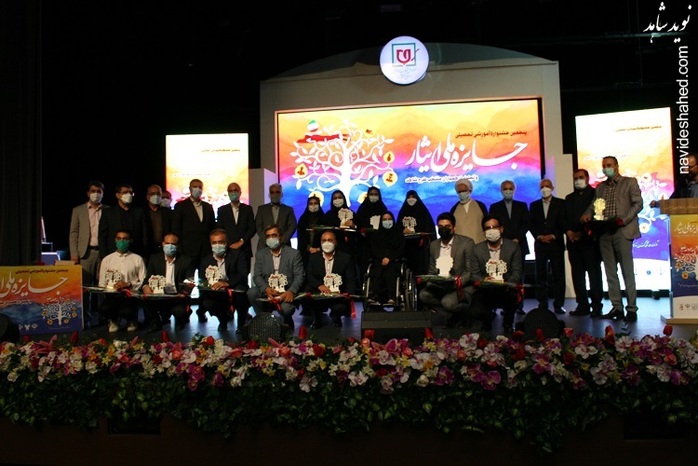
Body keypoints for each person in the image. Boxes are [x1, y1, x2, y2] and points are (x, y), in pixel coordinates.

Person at [581, 155, 643, 322]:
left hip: (622, 230)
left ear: (616, 166)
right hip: (604, 231)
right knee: (610, 273)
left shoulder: (629, 182)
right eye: (604, 166)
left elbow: (638, 204)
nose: (606, 168)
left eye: (609, 165)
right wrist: (587, 214)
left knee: (627, 272)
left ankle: (631, 309)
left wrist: (624, 220)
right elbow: (594, 205)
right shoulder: (600, 187)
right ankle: (617, 307)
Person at [418, 212, 475, 327]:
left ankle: (466, 312)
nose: (443, 229)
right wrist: (429, 282)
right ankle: (450, 315)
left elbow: (469, 270)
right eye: (440, 226)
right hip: (441, 285)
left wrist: (457, 283)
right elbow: (432, 268)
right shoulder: (434, 245)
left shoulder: (466, 243)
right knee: (424, 295)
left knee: (447, 302)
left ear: (454, 228)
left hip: (459, 286)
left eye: (447, 226)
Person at [468, 214, 523, 332]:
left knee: (513, 296)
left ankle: (508, 324)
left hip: (506, 288)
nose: (491, 230)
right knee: (475, 307)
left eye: (495, 227)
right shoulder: (476, 249)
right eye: (488, 228)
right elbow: (474, 275)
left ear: (501, 229)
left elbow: (517, 273)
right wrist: (484, 281)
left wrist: (506, 283)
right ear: (484, 232)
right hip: (486, 288)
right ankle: (486, 323)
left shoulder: (513, 247)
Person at [247, 224, 305, 330]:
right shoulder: (260, 254)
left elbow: (299, 276)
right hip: (268, 291)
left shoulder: (294, 254)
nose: (271, 238)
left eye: (274, 235)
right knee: (251, 292)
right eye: (268, 236)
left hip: (286, 292)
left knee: (286, 309)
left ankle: (287, 319)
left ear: (281, 237)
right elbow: (257, 276)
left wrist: (291, 291)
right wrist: (266, 289)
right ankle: (264, 319)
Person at [565, 169, 604, 318]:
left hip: (590, 242)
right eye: (575, 178)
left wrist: (581, 233)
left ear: (587, 178)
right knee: (577, 275)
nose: (578, 180)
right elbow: (564, 218)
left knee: (594, 275)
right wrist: (569, 231)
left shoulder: (595, 195)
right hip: (573, 243)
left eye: (580, 177)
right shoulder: (569, 198)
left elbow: (597, 216)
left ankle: (596, 306)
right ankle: (582, 305)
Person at [488, 180, 530, 315]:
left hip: (519, 244)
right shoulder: (495, 207)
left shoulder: (522, 206)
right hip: (502, 245)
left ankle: (519, 306)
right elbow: (495, 225)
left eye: (510, 188)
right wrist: (505, 240)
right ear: (501, 191)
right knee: (501, 275)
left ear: (514, 190)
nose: (508, 191)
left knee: (518, 276)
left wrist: (517, 238)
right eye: (505, 189)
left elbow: (526, 224)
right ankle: (501, 305)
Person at [141, 233, 195, 332]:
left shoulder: (187, 261)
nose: (169, 246)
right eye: (167, 243)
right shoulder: (154, 259)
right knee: (145, 300)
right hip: (160, 295)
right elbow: (147, 278)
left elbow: (190, 281)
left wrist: (184, 293)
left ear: (177, 246)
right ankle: (155, 322)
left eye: (173, 244)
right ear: (162, 244)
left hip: (177, 297)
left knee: (179, 311)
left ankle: (180, 320)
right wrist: (146, 287)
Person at [304, 230, 358, 328]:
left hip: (338, 295)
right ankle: (317, 318)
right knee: (307, 292)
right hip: (320, 293)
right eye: (324, 240)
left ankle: (336, 316)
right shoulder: (313, 258)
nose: (327, 243)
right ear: (320, 243)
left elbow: (350, 279)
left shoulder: (345, 258)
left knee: (340, 307)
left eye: (330, 240)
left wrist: (348, 295)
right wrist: (319, 285)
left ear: (335, 242)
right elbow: (310, 276)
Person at [199, 229, 251, 332]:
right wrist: (211, 285)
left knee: (240, 292)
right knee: (207, 302)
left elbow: (243, 274)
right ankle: (223, 320)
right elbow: (203, 279)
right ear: (210, 244)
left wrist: (226, 283)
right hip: (217, 291)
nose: (217, 245)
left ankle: (241, 325)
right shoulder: (206, 260)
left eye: (220, 242)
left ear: (226, 243)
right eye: (214, 242)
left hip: (234, 287)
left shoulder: (237, 254)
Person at [529, 178, 567, 314]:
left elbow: (564, 223)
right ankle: (542, 303)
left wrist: (553, 236)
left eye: (547, 186)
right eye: (542, 187)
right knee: (540, 276)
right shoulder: (534, 205)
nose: (544, 189)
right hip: (540, 245)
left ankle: (559, 305)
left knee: (558, 276)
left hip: (556, 244)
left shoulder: (561, 203)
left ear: (552, 188)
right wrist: (539, 236)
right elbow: (531, 224)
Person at [97, 229, 146, 332]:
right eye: (119, 239)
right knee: (104, 308)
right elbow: (101, 283)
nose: (121, 241)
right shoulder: (107, 260)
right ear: (115, 240)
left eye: (125, 239)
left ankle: (132, 319)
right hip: (113, 295)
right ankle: (113, 320)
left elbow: (143, 281)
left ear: (130, 241)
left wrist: (129, 284)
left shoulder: (137, 259)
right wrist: (112, 287)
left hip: (131, 295)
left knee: (127, 311)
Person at [172, 178, 216, 281]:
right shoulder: (180, 206)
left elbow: (213, 228)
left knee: (206, 279)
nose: (197, 189)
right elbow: (176, 229)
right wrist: (180, 249)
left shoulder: (208, 207)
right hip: (187, 251)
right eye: (195, 187)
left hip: (205, 250)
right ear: (190, 189)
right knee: (188, 280)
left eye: (200, 187)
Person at [69, 180, 109, 286]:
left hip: (103, 253)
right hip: (85, 254)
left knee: (102, 284)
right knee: (84, 285)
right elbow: (74, 233)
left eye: (99, 191)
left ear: (103, 193)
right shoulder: (78, 210)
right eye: (93, 191)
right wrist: (74, 254)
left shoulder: (108, 210)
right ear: (88, 193)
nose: (96, 194)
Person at [98, 183, 147, 259]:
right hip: (113, 254)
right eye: (125, 192)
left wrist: (144, 255)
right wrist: (104, 257)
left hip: (135, 254)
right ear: (117, 195)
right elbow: (102, 237)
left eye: (131, 193)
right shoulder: (108, 213)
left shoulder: (139, 212)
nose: (129, 195)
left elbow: (144, 235)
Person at [366, 211, 405, 305]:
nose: (387, 221)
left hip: (394, 261)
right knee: (378, 270)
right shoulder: (376, 235)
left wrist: (390, 258)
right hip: (380, 261)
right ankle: (374, 295)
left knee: (390, 270)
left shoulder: (398, 235)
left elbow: (401, 250)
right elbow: (374, 250)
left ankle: (392, 297)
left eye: (389, 219)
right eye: (384, 219)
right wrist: (382, 258)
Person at [216, 182, 255, 271]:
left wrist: (241, 242)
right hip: (228, 250)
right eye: (231, 191)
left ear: (240, 192)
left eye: (235, 190)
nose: (233, 193)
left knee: (244, 274)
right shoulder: (222, 210)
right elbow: (220, 229)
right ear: (228, 193)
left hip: (244, 249)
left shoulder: (248, 209)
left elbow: (252, 228)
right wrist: (230, 244)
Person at [397, 189, 435, 277]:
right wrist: (402, 230)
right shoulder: (402, 212)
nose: (411, 199)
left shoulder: (423, 212)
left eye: (413, 197)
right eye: (409, 197)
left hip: (420, 248)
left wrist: (417, 231)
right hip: (406, 247)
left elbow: (429, 228)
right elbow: (397, 228)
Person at [354, 186, 388, 278]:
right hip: (365, 245)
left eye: (376, 194)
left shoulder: (383, 210)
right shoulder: (362, 210)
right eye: (371, 194)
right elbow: (358, 226)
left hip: (380, 245)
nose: (373, 196)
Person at [254, 183, 297, 250]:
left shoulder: (288, 210)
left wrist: (282, 240)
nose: (275, 194)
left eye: (277, 192)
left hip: (284, 245)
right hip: (265, 245)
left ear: (282, 194)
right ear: (269, 195)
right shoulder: (261, 209)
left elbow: (292, 226)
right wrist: (268, 240)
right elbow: (258, 227)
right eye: (272, 192)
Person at [319, 189, 357, 259]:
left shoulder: (351, 213)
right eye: (335, 198)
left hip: (349, 249)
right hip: (332, 249)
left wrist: (353, 225)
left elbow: (359, 231)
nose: (337, 200)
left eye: (340, 197)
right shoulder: (328, 216)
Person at [449, 178, 488, 244]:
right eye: (459, 192)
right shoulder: (454, 209)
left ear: (470, 190)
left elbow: (487, 223)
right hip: (461, 246)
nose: (461, 193)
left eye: (464, 191)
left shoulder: (480, 206)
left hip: (479, 244)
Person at [143, 184, 173, 260]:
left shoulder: (168, 213)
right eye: (153, 194)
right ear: (147, 197)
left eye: (158, 194)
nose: (156, 196)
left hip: (164, 249)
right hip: (146, 250)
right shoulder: (141, 212)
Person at [297, 195, 325, 269]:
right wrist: (309, 248)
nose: (313, 205)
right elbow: (301, 236)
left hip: (321, 252)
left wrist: (319, 249)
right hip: (306, 253)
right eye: (311, 203)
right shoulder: (303, 219)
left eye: (315, 203)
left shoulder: (324, 219)